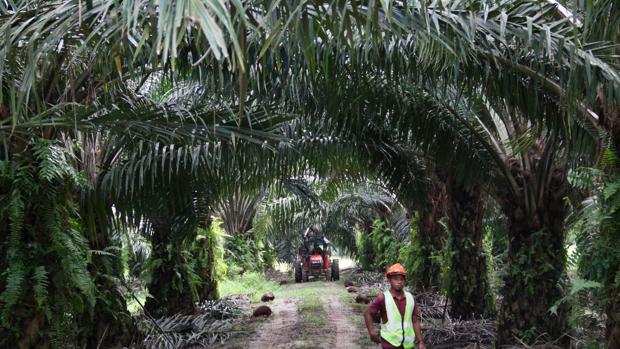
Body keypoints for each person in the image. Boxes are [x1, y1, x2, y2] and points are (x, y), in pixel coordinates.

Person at [364, 263, 426, 349]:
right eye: (396, 279)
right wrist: (371, 331)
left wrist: (421, 342)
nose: (399, 281)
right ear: (389, 280)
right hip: (390, 344)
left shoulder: (411, 298)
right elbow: (368, 313)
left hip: (407, 345)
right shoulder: (383, 298)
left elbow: (415, 321)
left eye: (401, 279)